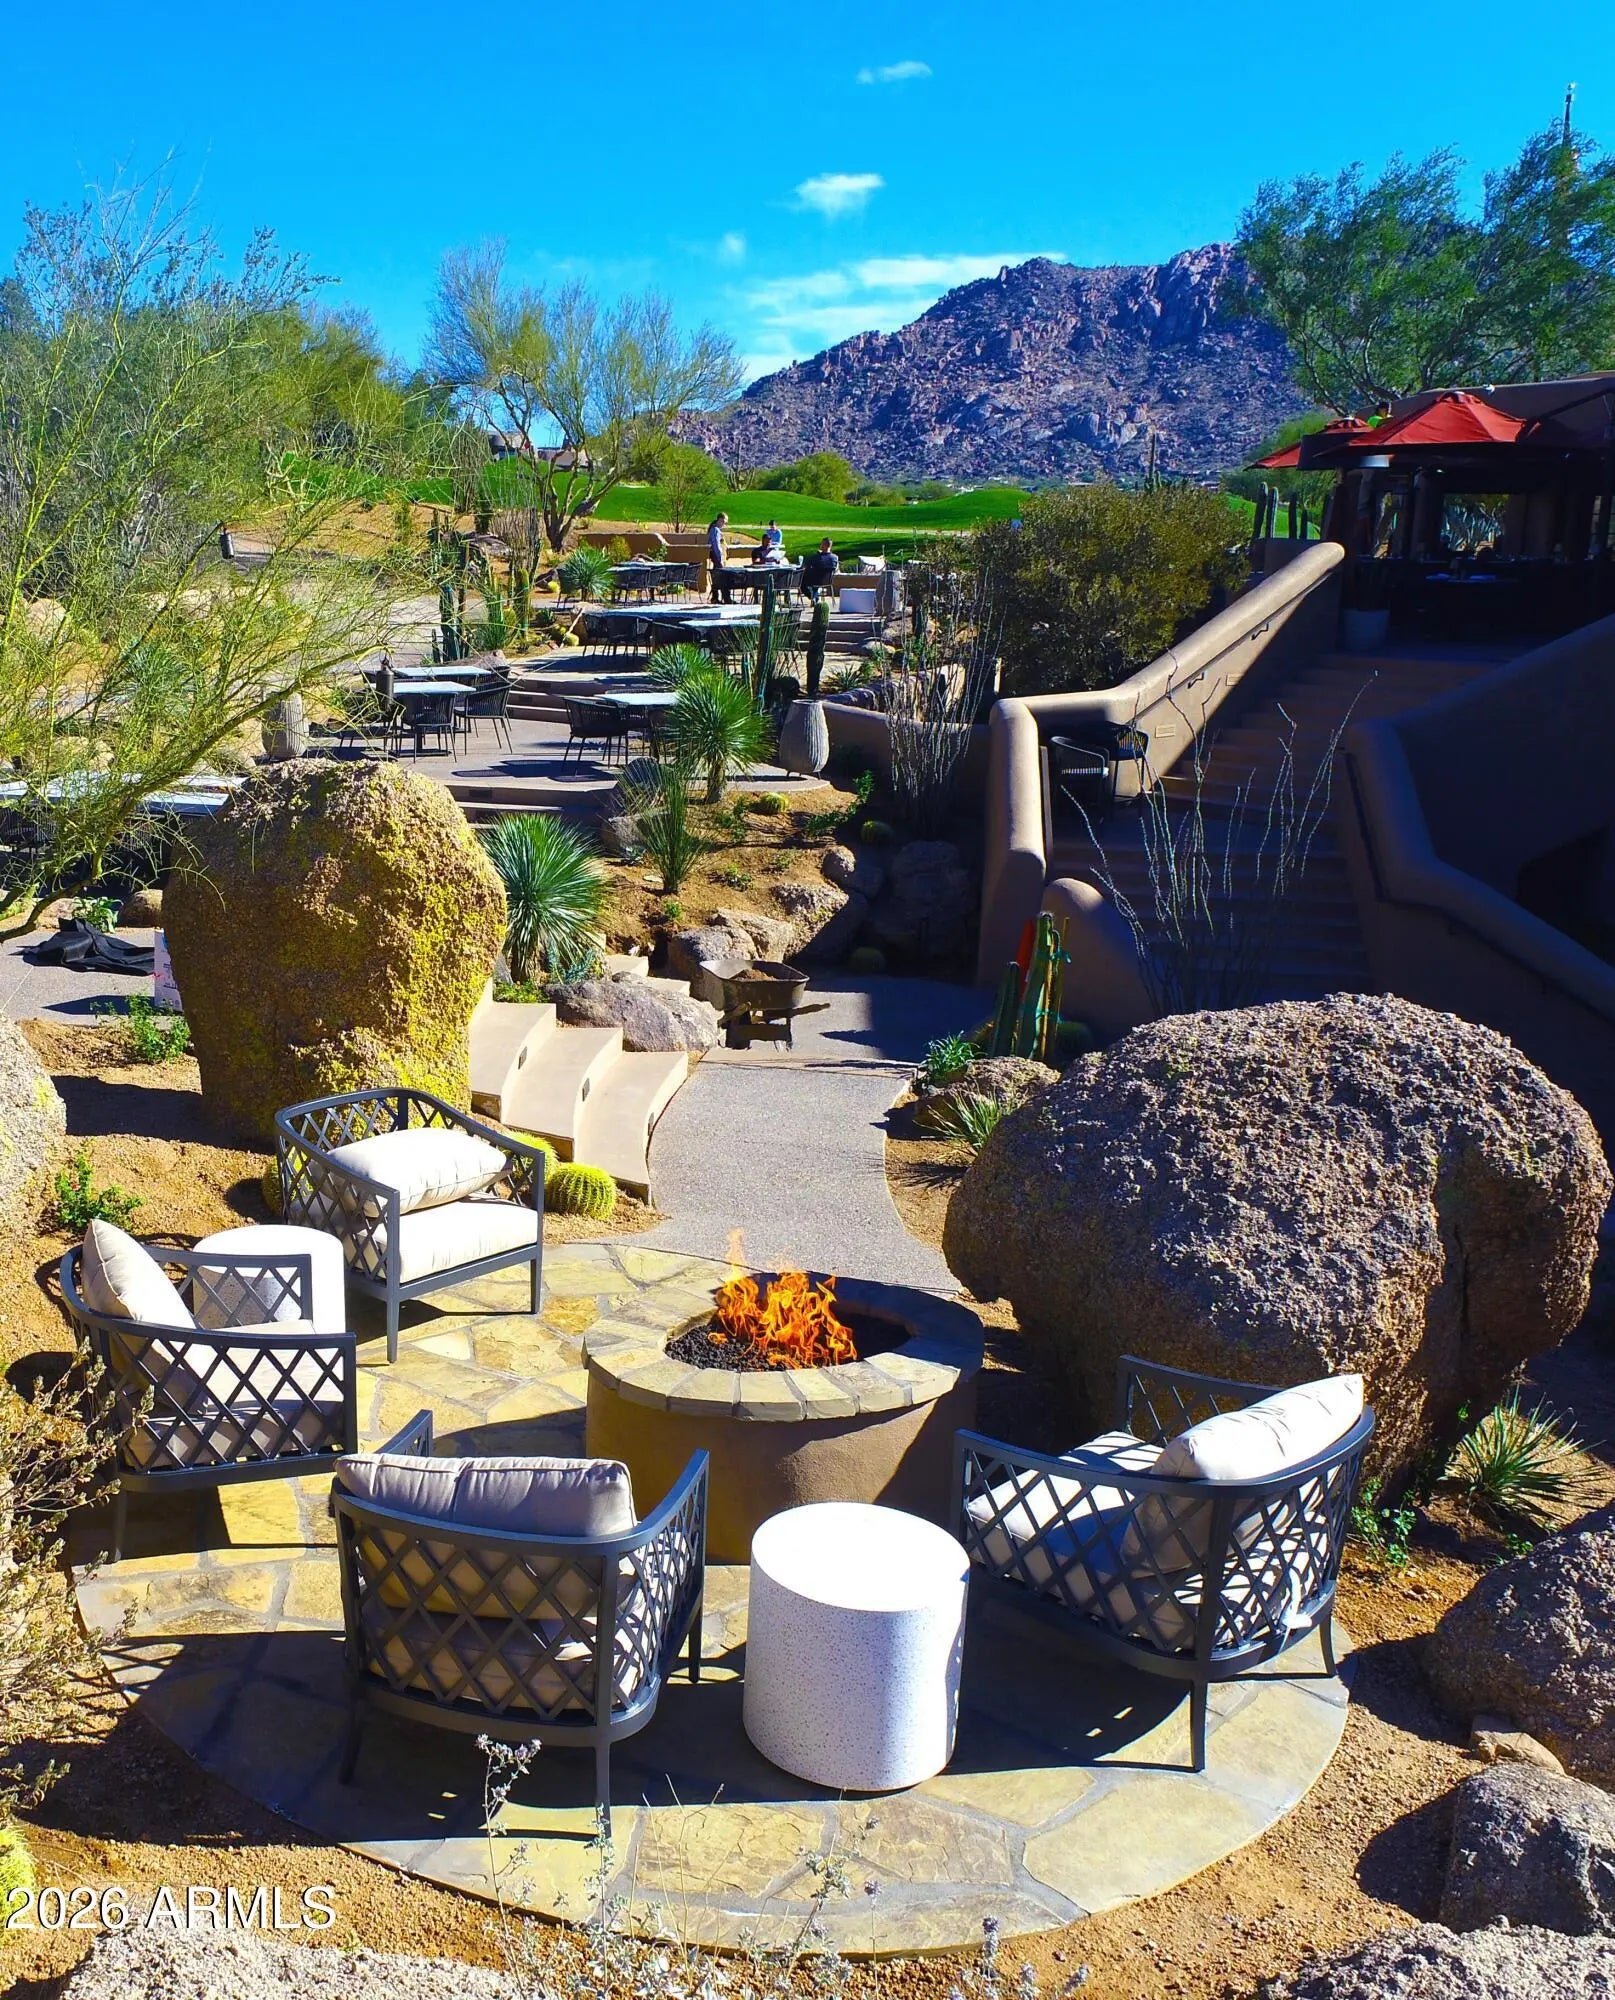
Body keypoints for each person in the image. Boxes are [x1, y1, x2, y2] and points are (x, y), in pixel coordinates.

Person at [800, 536, 839, 601]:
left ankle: (813, 596)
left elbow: (805, 566)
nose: (820, 545)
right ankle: (815, 594)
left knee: (801, 581)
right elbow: (836, 569)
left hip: (814, 581)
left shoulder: (816, 557)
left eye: (822, 544)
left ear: (824, 545)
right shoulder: (835, 558)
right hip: (828, 581)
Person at [707, 512, 730, 601]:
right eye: (724, 521)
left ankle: (716, 597)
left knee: (717, 577)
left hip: (716, 557)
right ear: (719, 520)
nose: (724, 524)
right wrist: (720, 559)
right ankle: (725, 598)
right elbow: (716, 546)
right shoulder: (715, 530)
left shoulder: (714, 530)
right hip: (717, 558)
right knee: (722, 577)